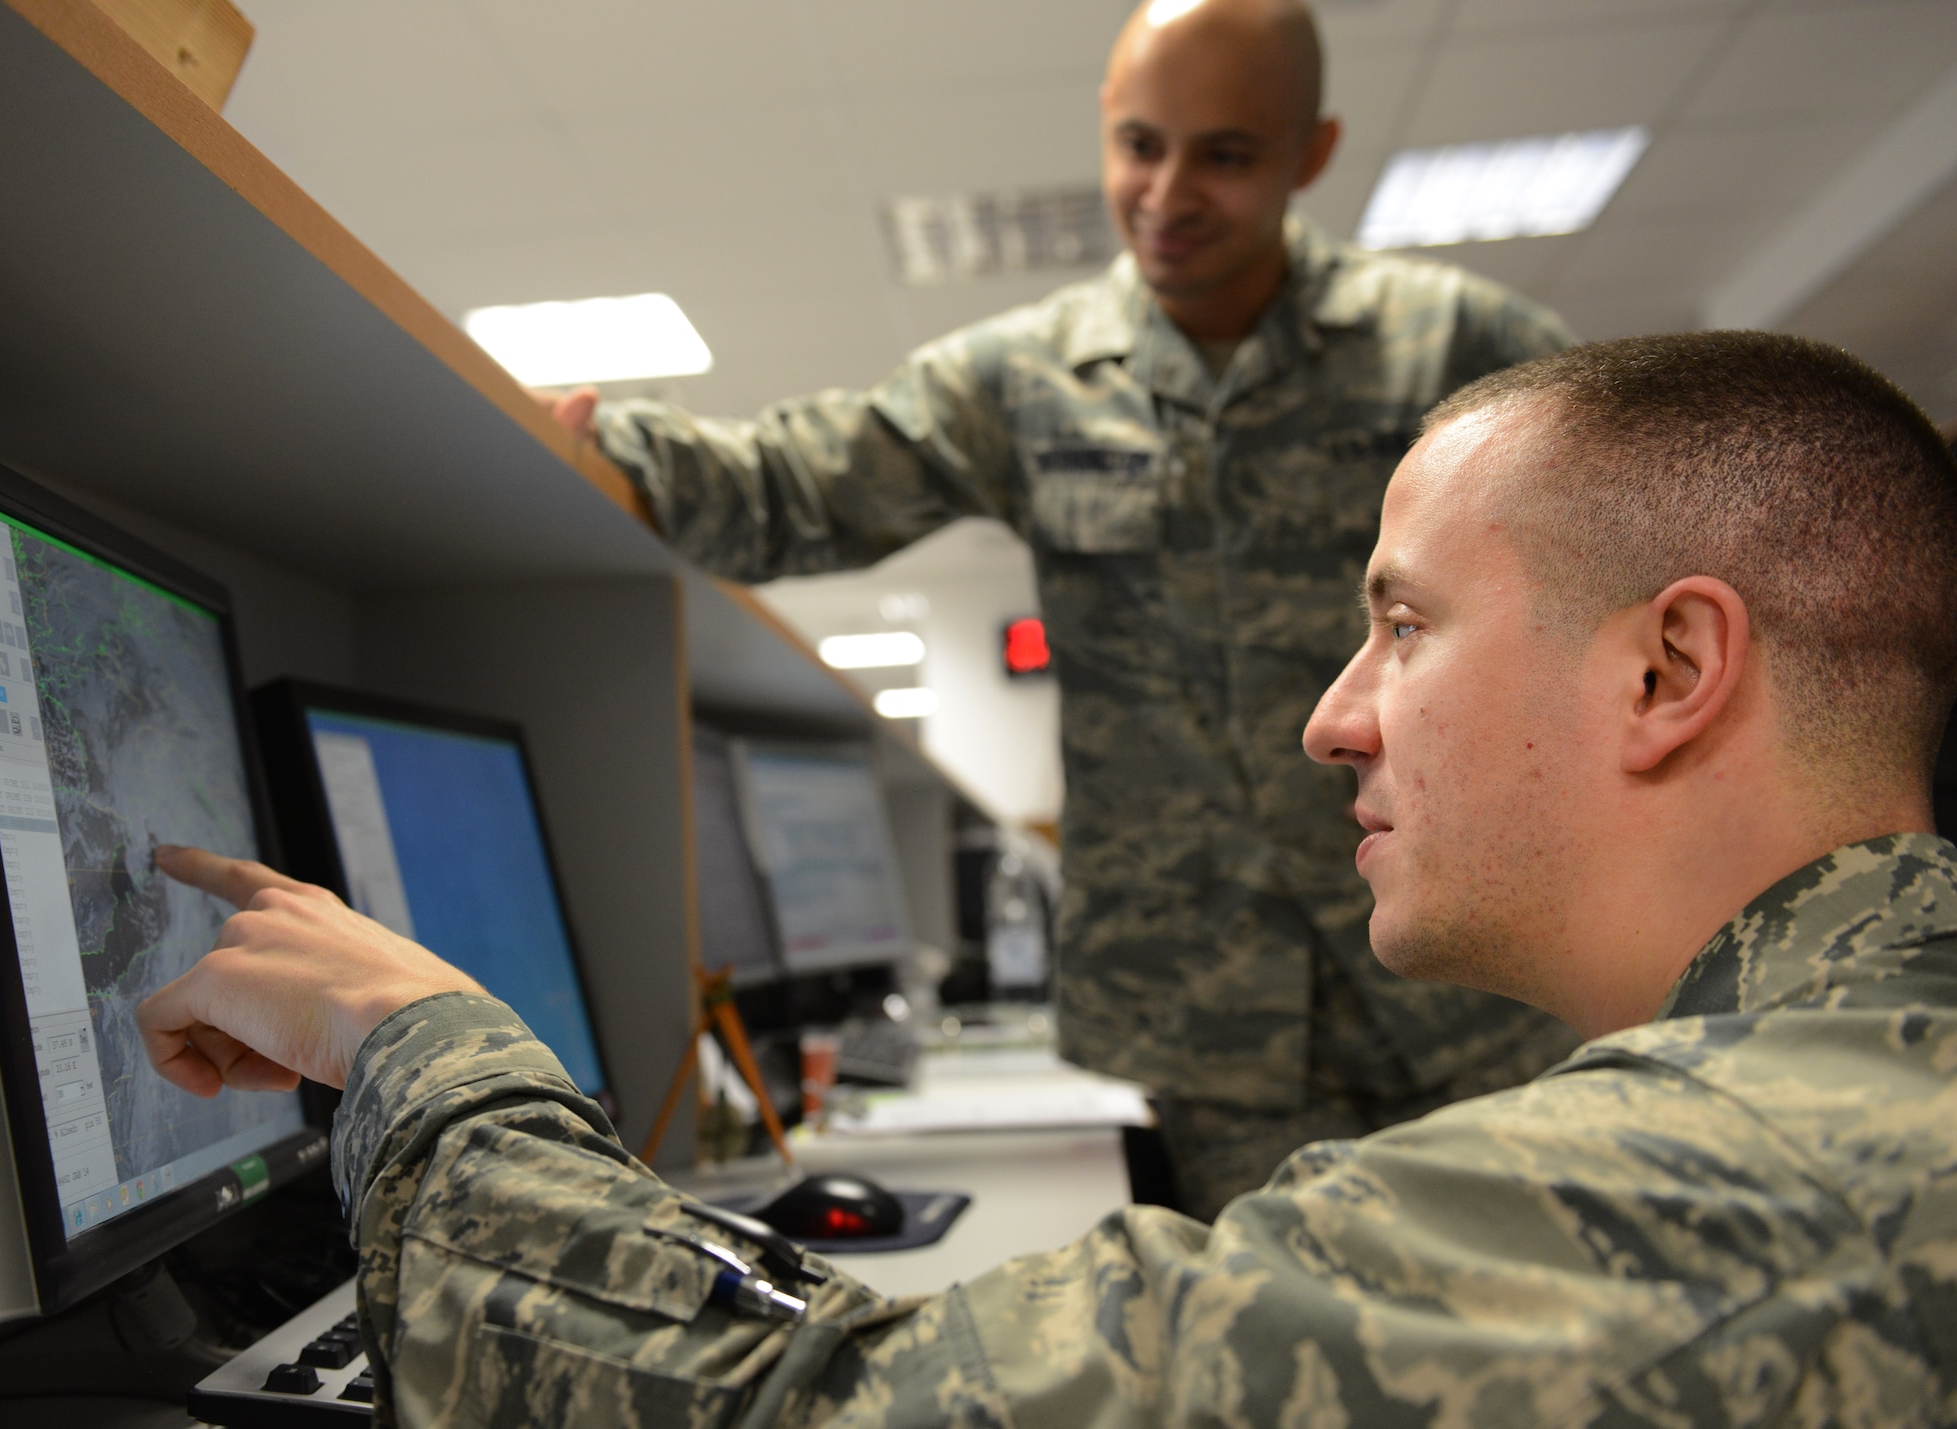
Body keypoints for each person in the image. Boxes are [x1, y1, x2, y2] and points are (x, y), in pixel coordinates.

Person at [141, 330, 1957, 1424]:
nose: (1334, 721)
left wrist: (424, 1040)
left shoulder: (1735, 1185)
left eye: (1402, 622)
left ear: (1666, 669)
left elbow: (803, 1415)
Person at [538, 0, 1581, 1218]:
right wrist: (594, 448)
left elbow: (1630, 562)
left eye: (1225, 154)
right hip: (1203, 1022)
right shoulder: (1025, 377)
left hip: (1471, 976)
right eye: (1140, 144)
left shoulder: (1451, 347)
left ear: (1308, 152)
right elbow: (792, 485)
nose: (1168, 190)